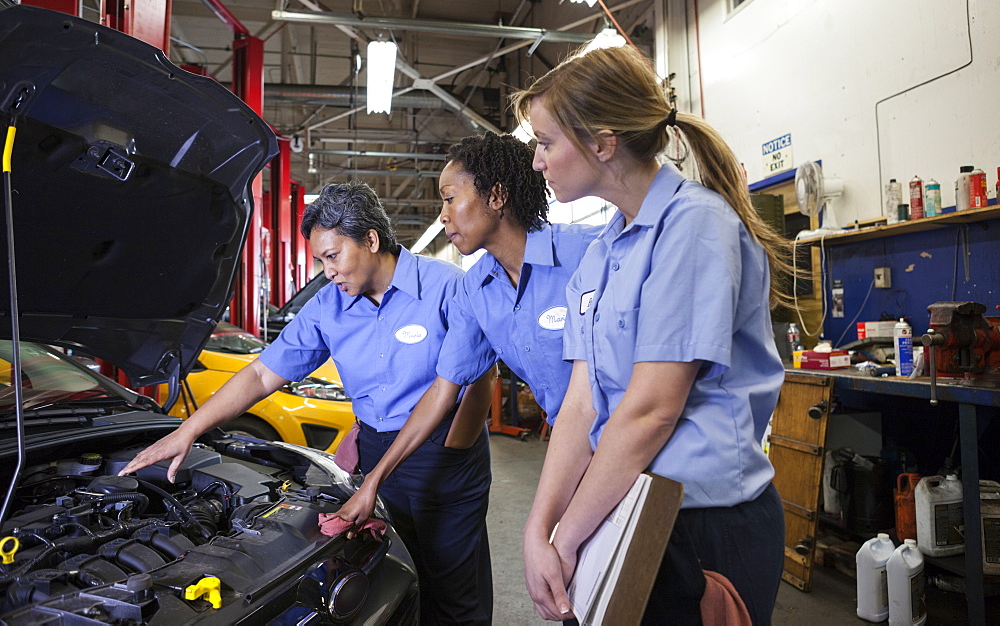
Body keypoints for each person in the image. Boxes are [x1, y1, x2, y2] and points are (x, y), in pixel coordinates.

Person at [119, 180, 497, 624]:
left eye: (332, 256)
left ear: (371, 240)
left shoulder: (447, 287)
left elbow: (481, 374)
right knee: (397, 573)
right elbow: (262, 373)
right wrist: (188, 430)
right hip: (377, 452)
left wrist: (455, 444)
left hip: (445, 453)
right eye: (320, 260)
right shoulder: (328, 307)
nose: (327, 271)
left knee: (455, 588)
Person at [511, 45, 795, 624]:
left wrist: (566, 541)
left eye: (545, 144)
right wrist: (541, 528)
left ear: (602, 143)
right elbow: (579, 404)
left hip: (702, 523)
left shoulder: (694, 227)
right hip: (622, 505)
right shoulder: (603, 251)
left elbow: (650, 412)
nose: (537, 162)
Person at [333, 131, 602, 535]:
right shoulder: (474, 291)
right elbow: (444, 391)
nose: (443, 215)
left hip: (643, 447)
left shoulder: (590, 254)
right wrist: (373, 480)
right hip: (576, 458)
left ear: (495, 197)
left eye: (449, 198)